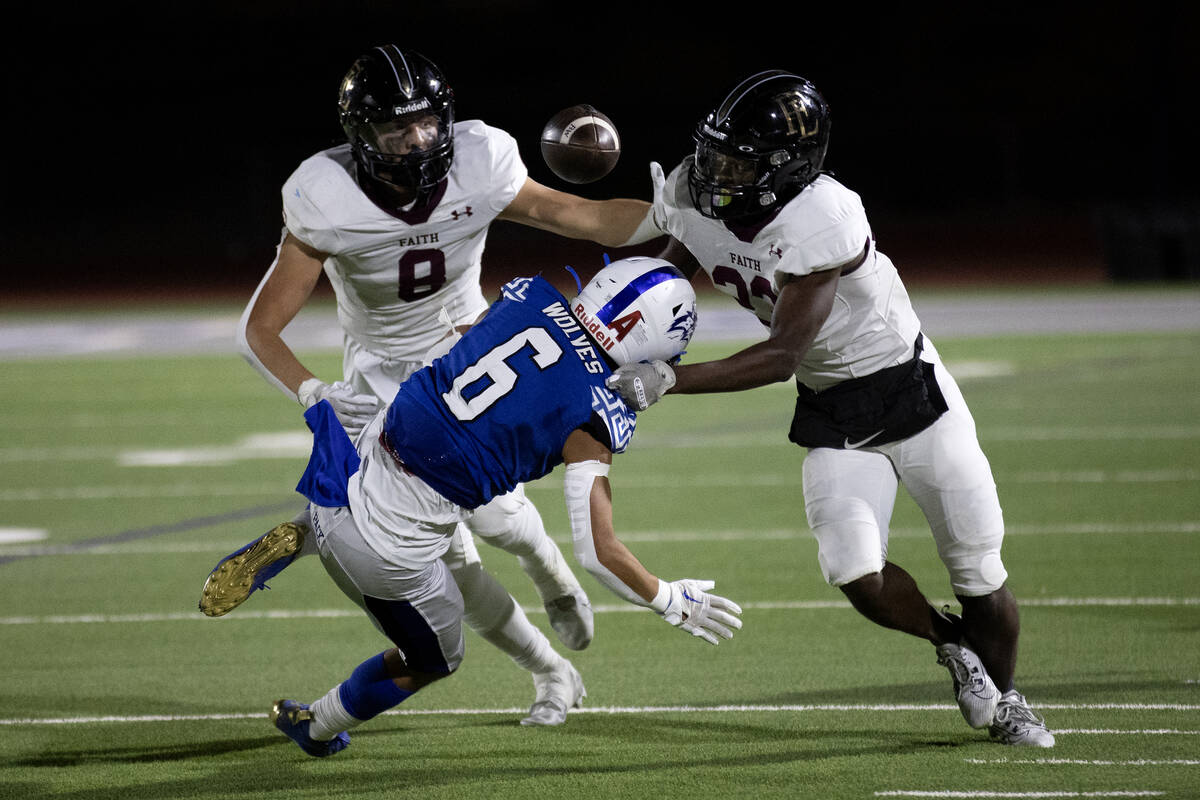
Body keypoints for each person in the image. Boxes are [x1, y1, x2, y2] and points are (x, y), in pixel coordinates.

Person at [201, 45, 664, 726]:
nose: (416, 141)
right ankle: (549, 664)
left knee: (490, 520)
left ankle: (546, 583)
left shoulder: (482, 159)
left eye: (425, 124)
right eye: (396, 130)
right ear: (361, 138)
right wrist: (310, 391)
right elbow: (259, 331)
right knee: (442, 551)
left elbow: (582, 217)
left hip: (470, 348)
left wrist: (678, 213)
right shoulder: (324, 195)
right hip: (383, 372)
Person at [604, 70, 1054, 747]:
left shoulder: (825, 215)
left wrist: (667, 377)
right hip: (835, 409)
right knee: (855, 572)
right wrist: (611, 327)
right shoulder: (696, 195)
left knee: (979, 573)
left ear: (788, 168)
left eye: (737, 161)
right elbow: (665, 277)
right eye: (713, 153)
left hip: (913, 395)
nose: (715, 171)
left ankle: (1011, 697)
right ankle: (953, 647)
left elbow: (782, 353)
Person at [234, 256, 741, 757]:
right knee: (438, 654)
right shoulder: (598, 413)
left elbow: (465, 339)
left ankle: (308, 528)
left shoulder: (530, 296)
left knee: (465, 514)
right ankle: (318, 725)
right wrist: (670, 600)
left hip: (347, 462)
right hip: (385, 550)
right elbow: (599, 551)